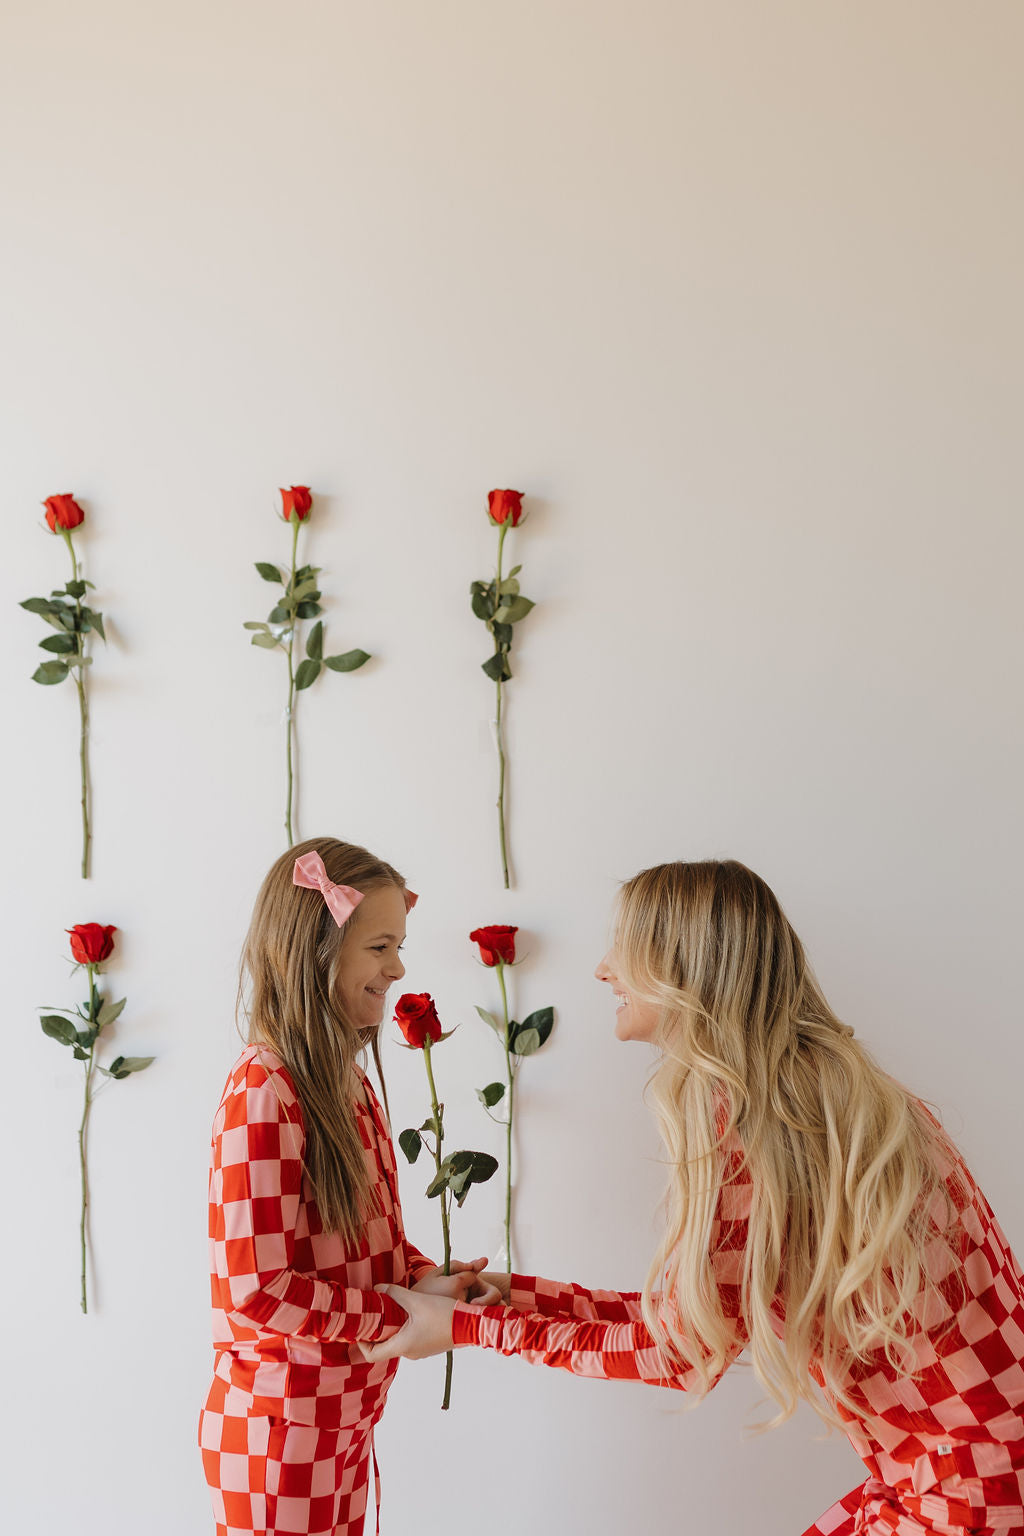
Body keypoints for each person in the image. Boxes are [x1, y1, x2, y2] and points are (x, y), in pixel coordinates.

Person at [364, 859, 1024, 1535]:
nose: (603, 970)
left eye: (624, 947)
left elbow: (678, 1358)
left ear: (683, 968)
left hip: (969, 1491)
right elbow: (692, 1322)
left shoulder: (749, 1123)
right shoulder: (818, 1092)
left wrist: (471, 1329)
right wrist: (515, 1296)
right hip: (970, 1471)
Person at [199, 838, 492, 1536]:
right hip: (280, 1436)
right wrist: (398, 1316)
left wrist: (423, 1280)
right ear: (317, 953)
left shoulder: (344, 1082)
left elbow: (362, 1237)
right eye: (380, 947)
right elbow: (257, 1291)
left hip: (340, 1425)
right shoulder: (264, 1090)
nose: (398, 967)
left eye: (398, 947)